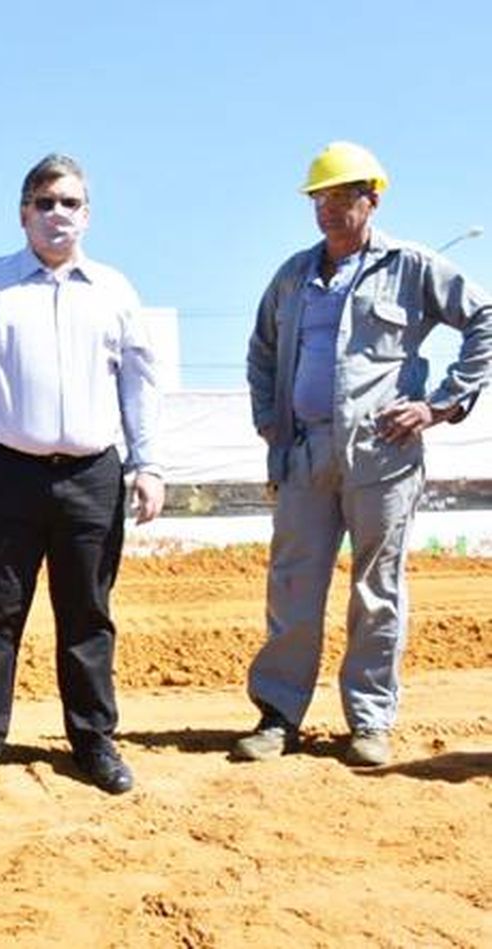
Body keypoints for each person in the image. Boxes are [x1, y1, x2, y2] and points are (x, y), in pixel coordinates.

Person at [235, 142, 492, 767]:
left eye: (340, 196)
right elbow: (262, 350)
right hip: (304, 454)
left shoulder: (410, 266)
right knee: (293, 585)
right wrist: (271, 422)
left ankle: (370, 721)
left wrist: (438, 405)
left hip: (382, 453)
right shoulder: (295, 274)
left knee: (376, 590)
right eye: (318, 198)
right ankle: (277, 715)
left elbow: (484, 319)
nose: (326, 209)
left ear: (371, 199)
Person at [0, 154, 163, 796]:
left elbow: (141, 385)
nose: (58, 214)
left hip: (92, 474)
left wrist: (149, 464)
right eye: (45, 202)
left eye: (71, 203)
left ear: (89, 214)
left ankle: (94, 741)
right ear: (23, 212)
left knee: (87, 612)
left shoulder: (114, 291)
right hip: (0, 472)